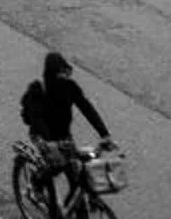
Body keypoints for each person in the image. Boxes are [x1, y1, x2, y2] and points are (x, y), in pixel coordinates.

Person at [20, 50, 112, 210]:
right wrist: (50, 143)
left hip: (63, 135)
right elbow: (36, 118)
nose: (64, 77)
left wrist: (104, 134)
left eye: (64, 73)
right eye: (60, 74)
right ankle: (37, 183)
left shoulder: (70, 87)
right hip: (42, 135)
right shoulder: (38, 90)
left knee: (76, 177)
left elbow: (86, 107)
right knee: (56, 165)